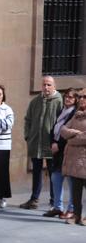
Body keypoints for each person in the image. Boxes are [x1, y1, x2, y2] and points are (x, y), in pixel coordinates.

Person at [21, 76, 63, 209]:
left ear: (54, 86)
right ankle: (34, 199)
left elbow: (62, 122)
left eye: (49, 85)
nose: (46, 87)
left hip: (51, 144)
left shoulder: (59, 101)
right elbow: (27, 119)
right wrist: (28, 136)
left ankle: (53, 201)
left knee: (53, 173)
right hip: (35, 142)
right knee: (36, 171)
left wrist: (57, 141)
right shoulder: (35, 101)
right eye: (44, 84)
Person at [44, 88, 78, 219]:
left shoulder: (75, 113)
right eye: (66, 96)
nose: (68, 99)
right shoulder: (62, 111)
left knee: (70, 181)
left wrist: (59, 145)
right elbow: (55, 128)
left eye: (71, 97)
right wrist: (53, 142)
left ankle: (71, 208)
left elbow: (69, 132)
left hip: (67, 151)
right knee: (55, 178)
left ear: (75, 100)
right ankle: (58, 207)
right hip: (56, 151)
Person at [60, 89, 86, 226]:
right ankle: (76, 215)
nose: (82, 99)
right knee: (75, 190)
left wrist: (71, 139)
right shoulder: (76, 115)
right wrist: (75, 133)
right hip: (74, 160)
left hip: (84, 159)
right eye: (80, 97)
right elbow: (63, 130)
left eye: (85, 97)